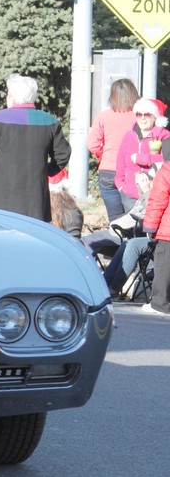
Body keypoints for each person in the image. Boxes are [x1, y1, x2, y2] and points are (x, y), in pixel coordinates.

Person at [0, 74, 71, 222]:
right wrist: (46, 170)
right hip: (35, 199)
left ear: (11, 97)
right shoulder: (49, 122)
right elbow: (63, 155)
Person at [88, 79, 141, 223]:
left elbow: (92, 144)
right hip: (131, 171)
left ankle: (118, 243)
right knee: (133, 219)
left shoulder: (103, 116)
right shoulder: (139, 117)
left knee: (116, 221)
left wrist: (103, 157)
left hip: (107, 171)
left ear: (112, 96)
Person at [114, 98, 169, 213]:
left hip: (154, 195)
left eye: (147, 114)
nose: (142, 118)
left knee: (149, 229)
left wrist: (143, 158)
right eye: (139, 114)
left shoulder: (164, 136)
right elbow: (120, 162)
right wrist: (120, 185)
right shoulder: (129, 135)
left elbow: (167, 162)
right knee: (131, 229)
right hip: (129, 195)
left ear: (155, 117)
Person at [142, 158, 170, 314]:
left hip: (168, 231)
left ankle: (160, 304)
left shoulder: (166, 171)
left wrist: (150, 228)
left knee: (164, 266)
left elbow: (158, 201)